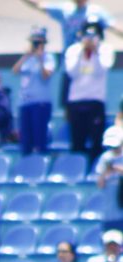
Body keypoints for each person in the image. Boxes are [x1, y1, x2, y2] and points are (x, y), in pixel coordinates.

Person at [65, 22, 113, 165]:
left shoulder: (105, 50)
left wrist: (95, 52)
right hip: (76, 101)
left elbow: (101, 70)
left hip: (95, 101)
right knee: (77, 140)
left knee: (96, 140)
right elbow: (71, 73)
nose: (90, 39)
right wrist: (82, 52)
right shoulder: (73, 50)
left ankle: (94, 170)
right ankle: (77, 169)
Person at [13, 28, 56, 155]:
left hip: (40, 103)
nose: (36, 45)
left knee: (39, 138)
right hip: (25, 102)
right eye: (34, 42)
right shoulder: (27, 59)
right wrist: (26, 56)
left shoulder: (49, 58)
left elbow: (46, 76)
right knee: (25, 140)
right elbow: (15, 71)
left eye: (39, 42)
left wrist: (40, 59)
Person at [96, 126, 123, 232]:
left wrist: (118, 170)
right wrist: (106, 172)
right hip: (108, 214)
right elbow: (100, 185)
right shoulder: (105, 158)